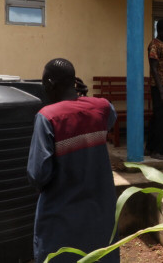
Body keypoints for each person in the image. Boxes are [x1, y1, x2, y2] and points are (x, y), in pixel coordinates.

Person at [27, 59, 118, 263]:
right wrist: (84, 98)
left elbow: (38, 175)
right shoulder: (102, 107)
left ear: (50, 84)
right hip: (100, 215)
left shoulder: (47, 117)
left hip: (62, 219)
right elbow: (109, 118)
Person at [146, 19, 163, 160]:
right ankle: (158, 151)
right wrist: (162, 91)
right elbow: (154, 69)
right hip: (159, 87)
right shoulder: (154, 45)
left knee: (156, 118)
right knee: (161, 119)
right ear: (160, 30)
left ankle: (149, 148)